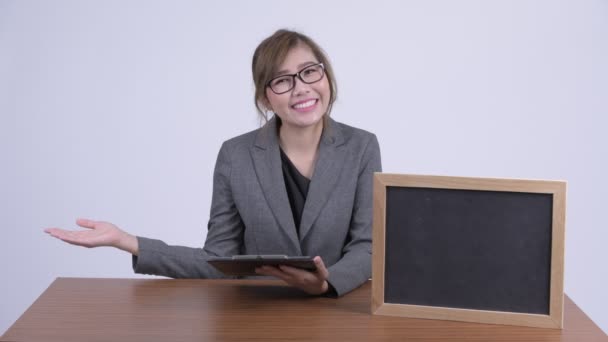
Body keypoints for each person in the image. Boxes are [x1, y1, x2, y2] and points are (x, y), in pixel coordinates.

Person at [45, 29, 382, 297]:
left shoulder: (361, 146)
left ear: (325, 76)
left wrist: (325, 284)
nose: (301, 88)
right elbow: (219, 260)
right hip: (254, 313)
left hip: (338, 306)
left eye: (310, 72)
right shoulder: (235, 156)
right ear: (266, 97)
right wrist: (128, 241)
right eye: (282, 80)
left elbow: (366, 247)